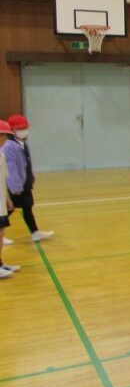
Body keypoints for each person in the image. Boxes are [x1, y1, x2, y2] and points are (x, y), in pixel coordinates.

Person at [2, 115, 54, 242]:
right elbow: (11, 168)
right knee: (8, 209)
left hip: (24, 183)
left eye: (25, 127)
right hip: (15, 186)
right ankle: (1, 234)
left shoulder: (22, 144)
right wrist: (15, 186)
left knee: (27, 207)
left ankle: (35, 232)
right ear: (12, 130)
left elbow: (25, 164)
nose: (24, 130)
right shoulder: (9, 146)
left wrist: (30, 178)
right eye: (20, 128)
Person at [0, 120, 19, 279]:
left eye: (6, 135)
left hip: (1, 203)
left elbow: (3, 179)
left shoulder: (1, 155)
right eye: (2, 135)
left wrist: (7, 199)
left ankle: (0, 264)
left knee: (1, 233)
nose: (4, 138)